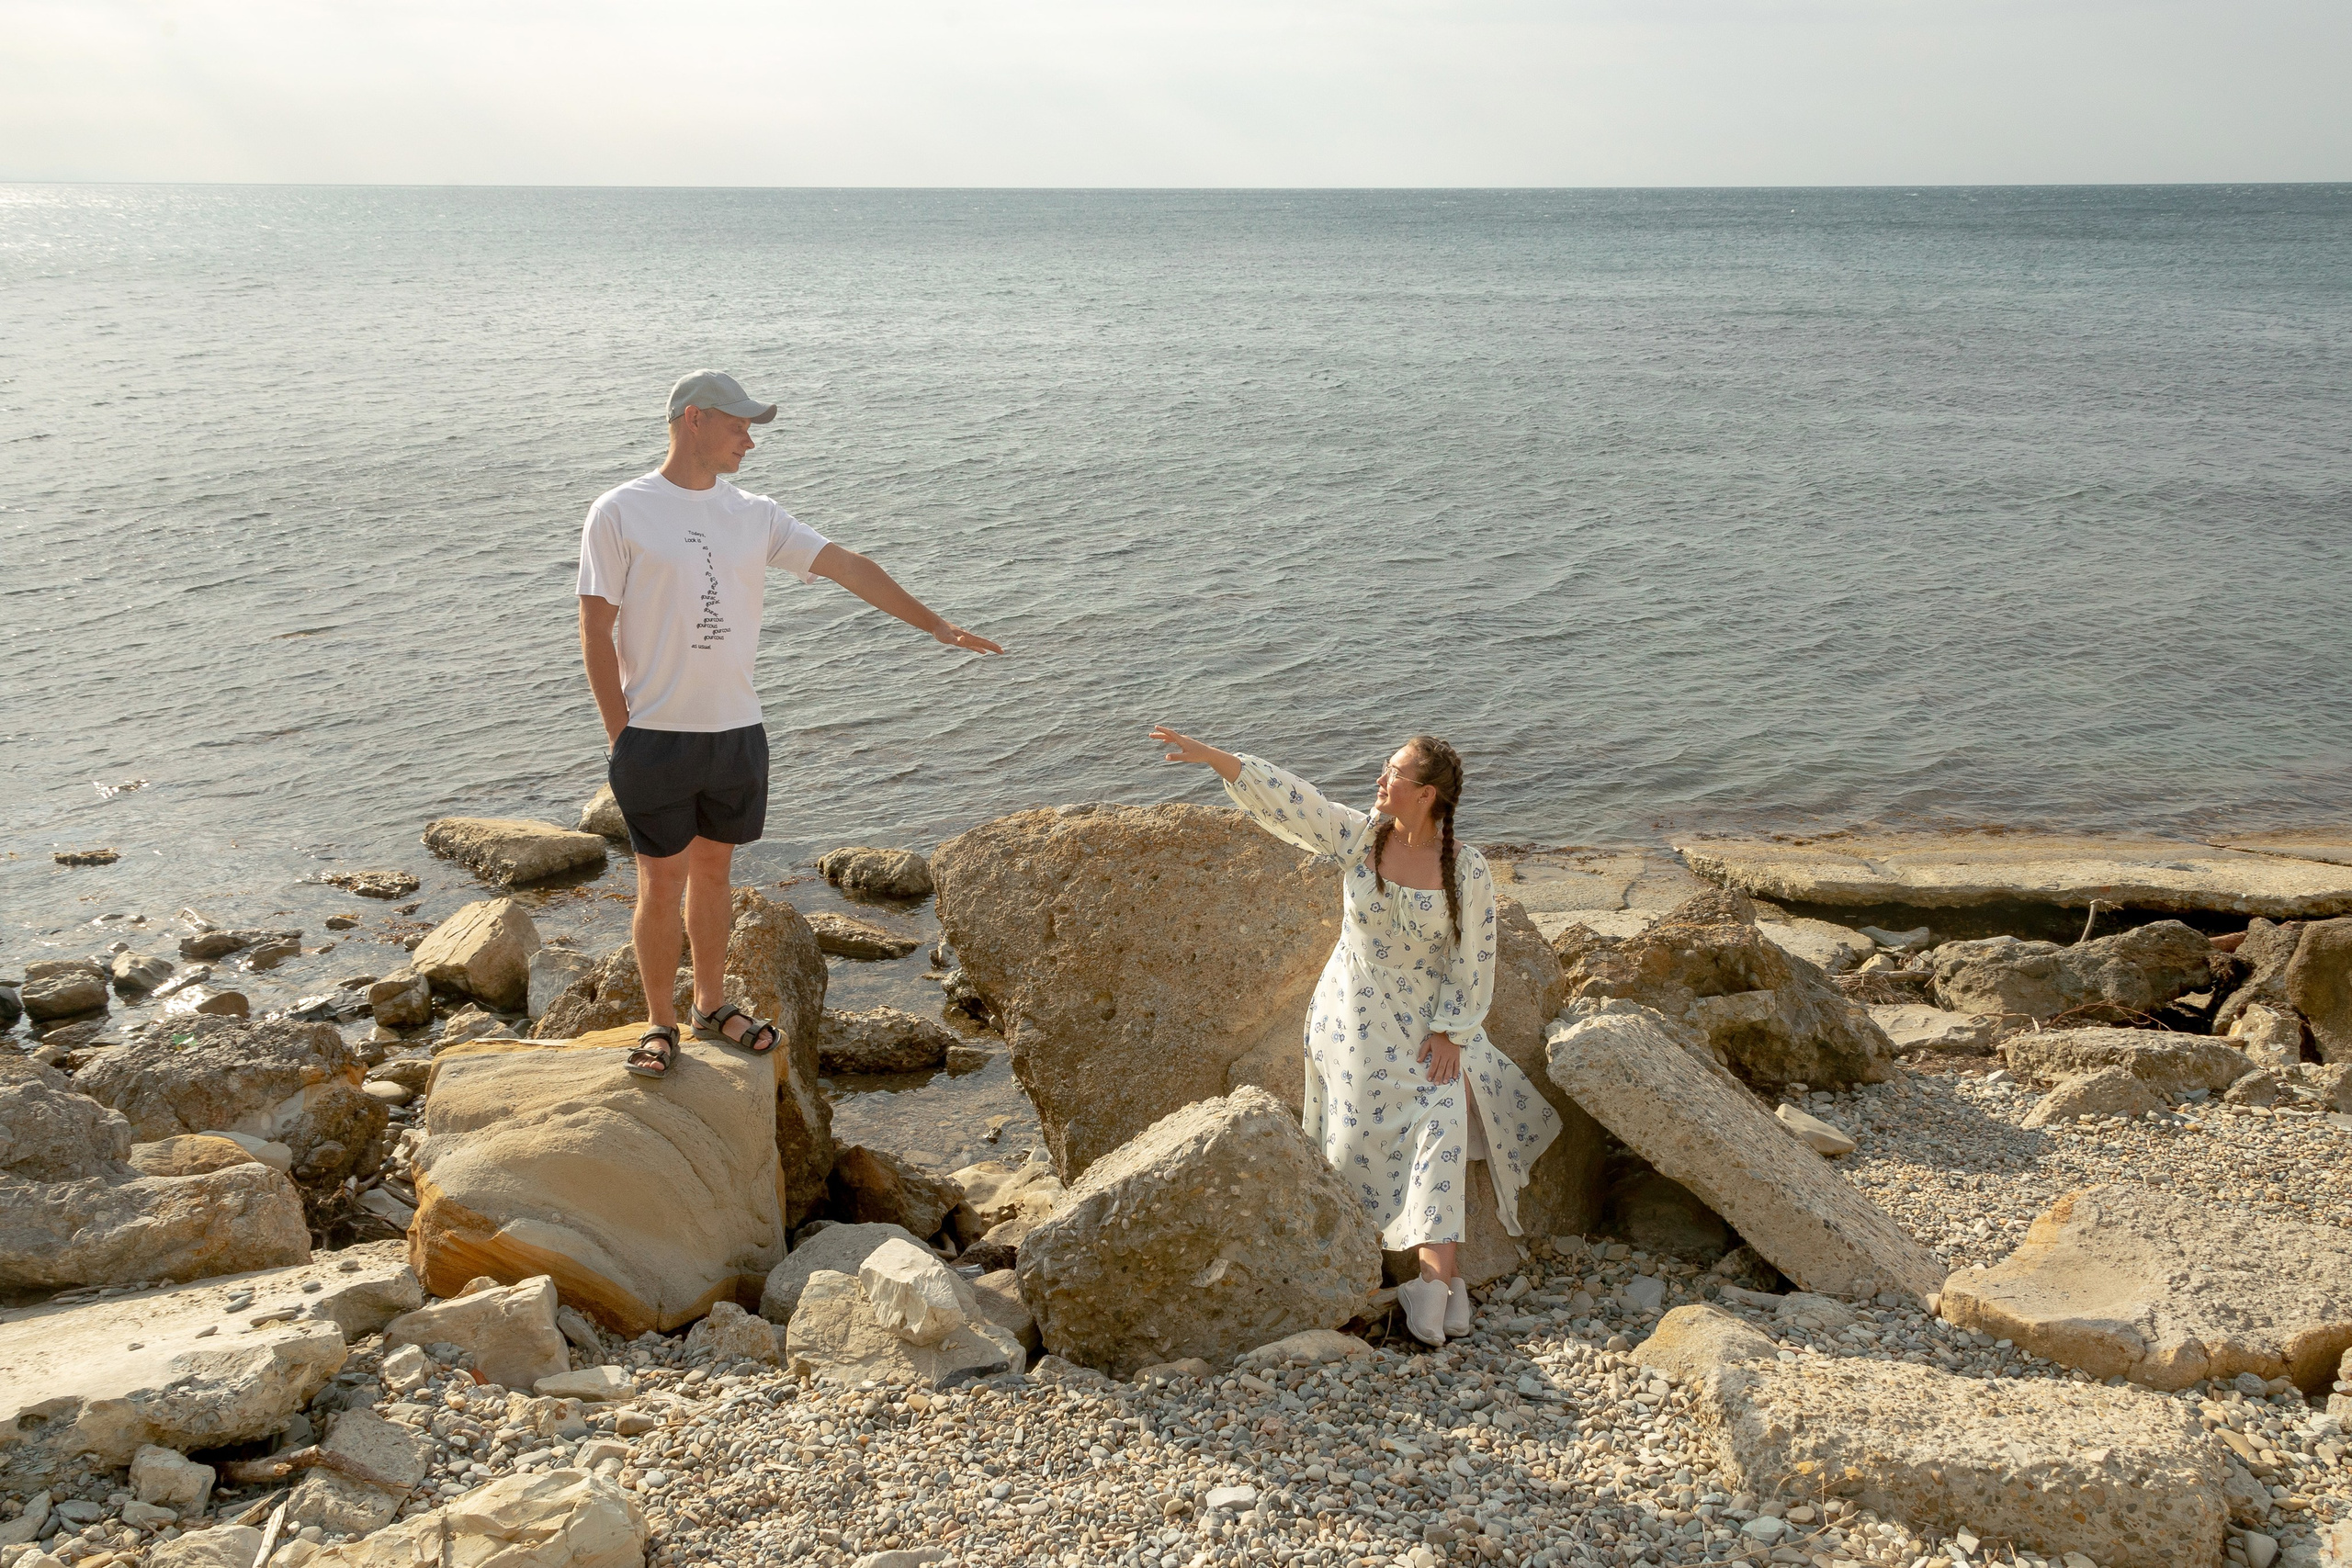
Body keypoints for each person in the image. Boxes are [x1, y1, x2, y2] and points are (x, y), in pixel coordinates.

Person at [579, 370, 1001, 1078]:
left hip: (738, 731)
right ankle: (658, 1023)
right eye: (738, 424)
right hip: (655, 735)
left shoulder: (756, 513)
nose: (750, 438)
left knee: (714, 874)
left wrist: (937, 625)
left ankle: (712, 1003)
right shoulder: (621, 511)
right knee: (660, 880)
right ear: (693, 420)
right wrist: (621, 735)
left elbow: (847, 566)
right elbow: (595, 629)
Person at [1148, 726, 1562, 1347]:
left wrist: (1452, 1031)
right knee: (1360, 1131)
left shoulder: (1466, 869)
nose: (1379, 778)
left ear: (1423, 794)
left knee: (1442, 1112)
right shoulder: (1361, 836)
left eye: (1392, 772)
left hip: (1425, 1021)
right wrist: (1220, 760)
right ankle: (1433, 1287)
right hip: (1354, 1014)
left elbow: (1475, 960)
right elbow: (1298, 801)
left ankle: (1434, 1283)